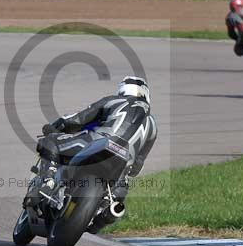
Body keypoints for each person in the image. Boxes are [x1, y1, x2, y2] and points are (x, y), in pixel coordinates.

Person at [25, 76, 157, 219]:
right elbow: (137, 165)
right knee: (118, 196)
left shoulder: (113, 100)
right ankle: (104, 215)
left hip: (97, 142)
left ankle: (47, 182)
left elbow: (77, 119)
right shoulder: (153, 126)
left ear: (123, 89)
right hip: (123, 162)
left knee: (50, 141)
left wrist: (54, 127)